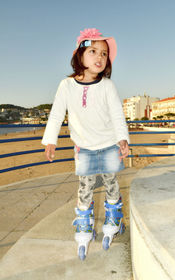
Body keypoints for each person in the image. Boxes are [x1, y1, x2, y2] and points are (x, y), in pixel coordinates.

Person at [42, 28, 130, 260]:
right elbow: (56, 114)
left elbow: (117, 115)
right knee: (85, 186)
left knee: (111, 182)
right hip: (84, 147)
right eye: (93, 51)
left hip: (109, 143)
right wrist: (50, 140)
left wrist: (123, 138)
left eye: (104, 53)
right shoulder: (66, 86)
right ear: (80, 55)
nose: (100, 57)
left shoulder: (107, 86)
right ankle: (84, 224)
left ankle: (114, 216)